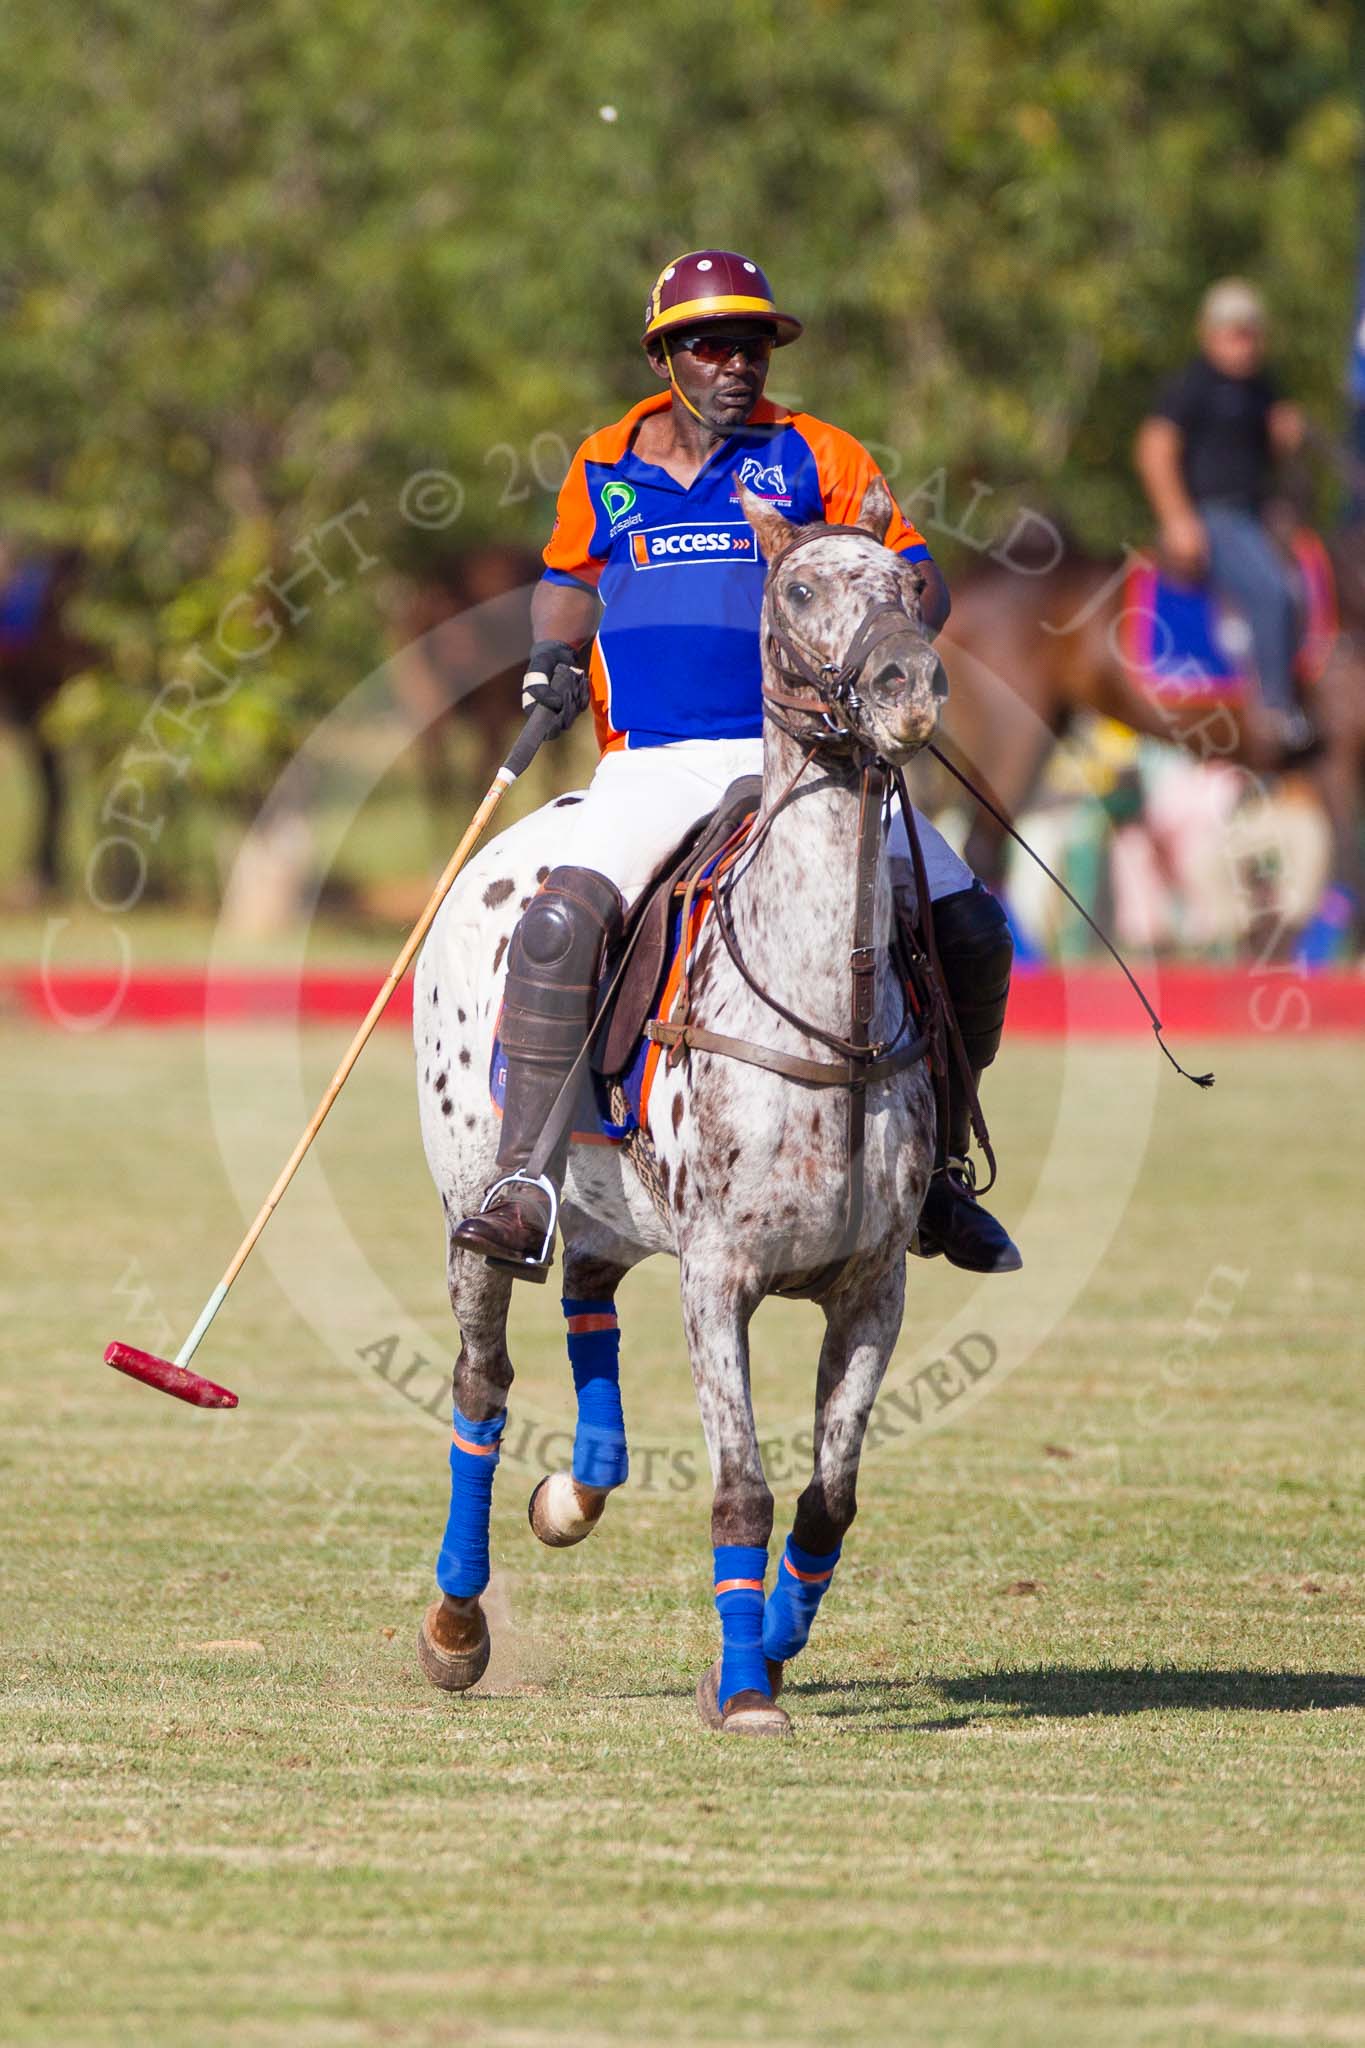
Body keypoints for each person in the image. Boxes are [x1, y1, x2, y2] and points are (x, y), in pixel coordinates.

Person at [452, 249, 1020, 1279]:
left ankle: (937, 1167)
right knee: (557, 924)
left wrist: (879, 635)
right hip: (659, 757)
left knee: (972, 923)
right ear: (667, 355)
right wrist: (549, 659)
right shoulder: (606, 461)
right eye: (712, 344)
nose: (737, 363)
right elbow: (567, 578)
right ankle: (524, 1182)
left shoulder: (818, 455)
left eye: (754, 344)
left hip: (817, 754)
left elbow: (918, 577)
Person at [1135, 278, 1312, 748]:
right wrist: (1178, 519)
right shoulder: (1193, 385)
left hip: (1257, 514)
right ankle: (1275, 708)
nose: (1245, 342)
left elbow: (1270, 452)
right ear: (1211, 334)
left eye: (1252, 332)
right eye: (1236, 332)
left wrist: (1286, 437)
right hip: (1214, 517)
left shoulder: (1262, 387)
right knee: (1271, 591)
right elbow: (1154, 448)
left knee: (1312, 578)